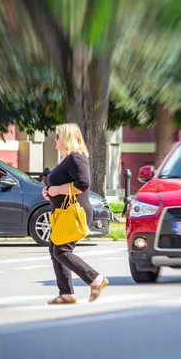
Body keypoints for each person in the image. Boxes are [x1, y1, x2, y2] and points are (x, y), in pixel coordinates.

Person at [43, 123, 109, 304]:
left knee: (62, 251)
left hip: (74, 213)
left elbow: (83, 184)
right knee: (55, 249)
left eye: (58, 136)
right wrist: (49, 191)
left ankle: (95, 279)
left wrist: (57, 190)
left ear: (67, 138)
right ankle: (66, 294)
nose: (55, 139)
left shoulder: (76, 157)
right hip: (62, 213)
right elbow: (58, 183)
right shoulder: (66, 158)